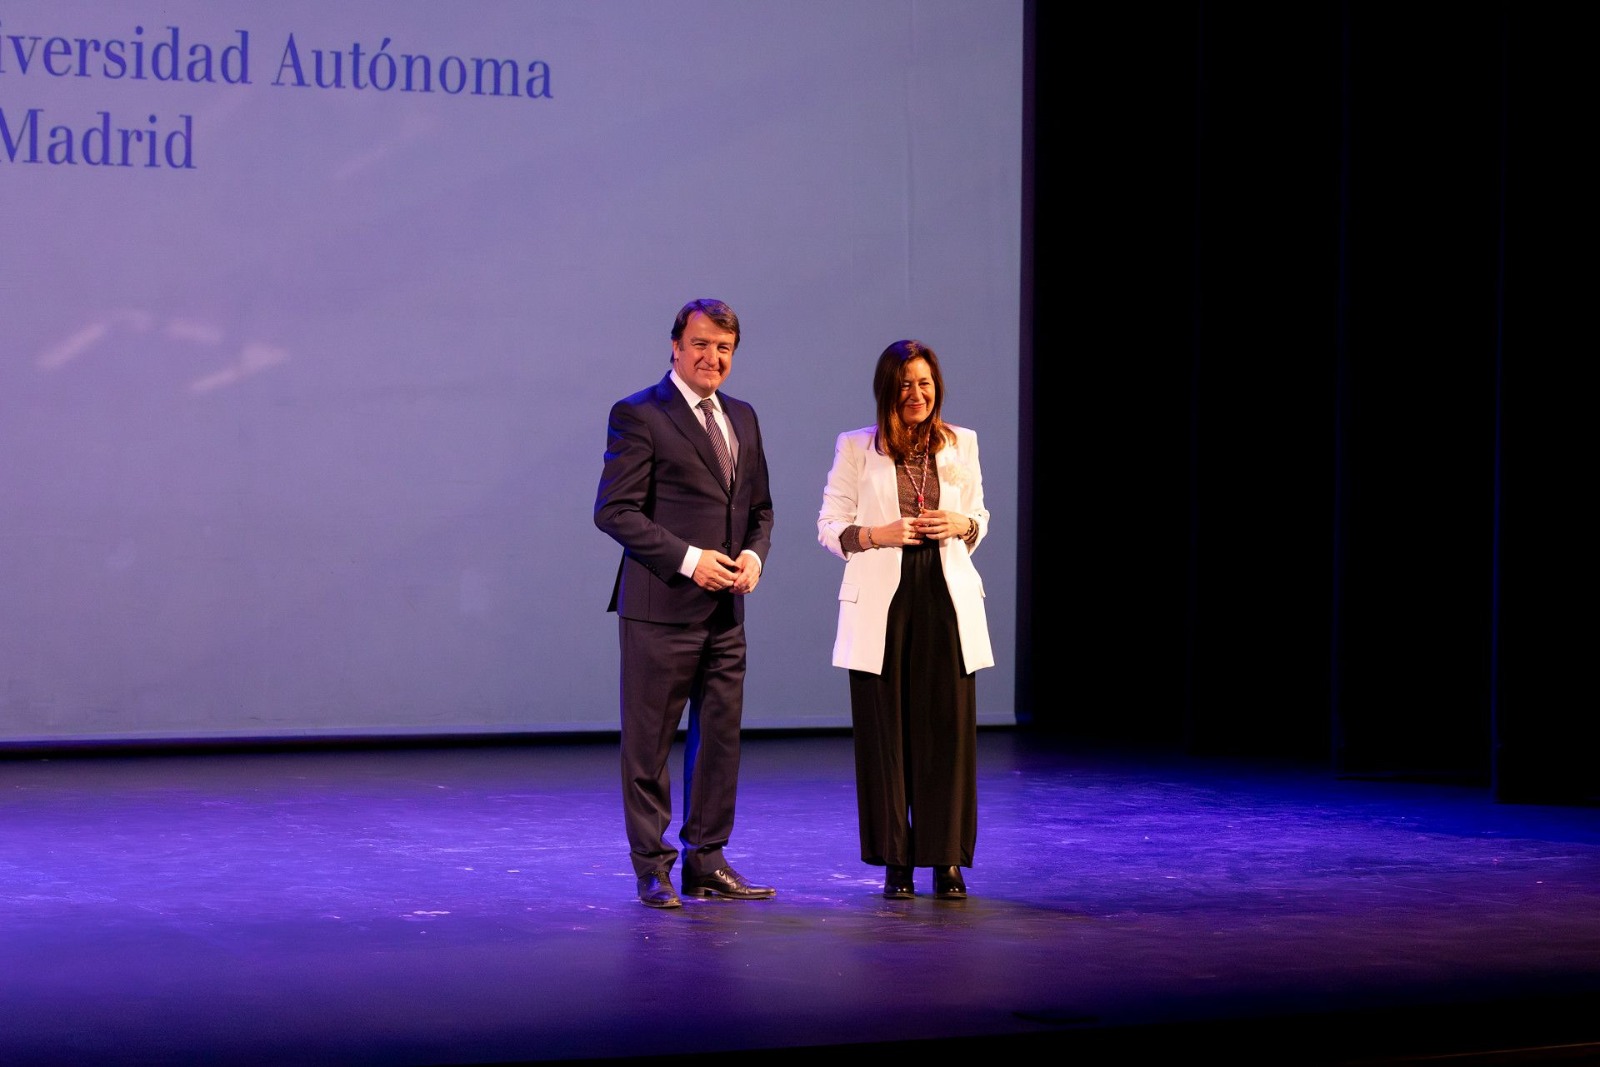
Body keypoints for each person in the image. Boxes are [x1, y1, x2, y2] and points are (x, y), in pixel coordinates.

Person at [594, 298, 777, 909]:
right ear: (675, 346)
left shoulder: (743, 419)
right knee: (648, 745)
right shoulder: (640, 414)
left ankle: (708, 859)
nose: (712, 357)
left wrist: (753, 556)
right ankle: (652, 866)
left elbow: (760, 509)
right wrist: (689, 558)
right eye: (701, 344)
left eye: (724, 348)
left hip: (726, 613)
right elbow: (614, 512)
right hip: (659, 608)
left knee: (718, 741)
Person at [816, 339, 994, 900]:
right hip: (882, 599)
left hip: (944, 594)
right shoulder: (856, 446)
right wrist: (877, 535)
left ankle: (945, 860)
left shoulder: (961, 443)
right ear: (887, 389)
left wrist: (962, 524)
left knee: (946, 730)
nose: (915, 394)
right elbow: (829, 525)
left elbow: (981, 518)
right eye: (904, 384)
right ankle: (896, 859)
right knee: (885, 733)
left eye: (924, 383)